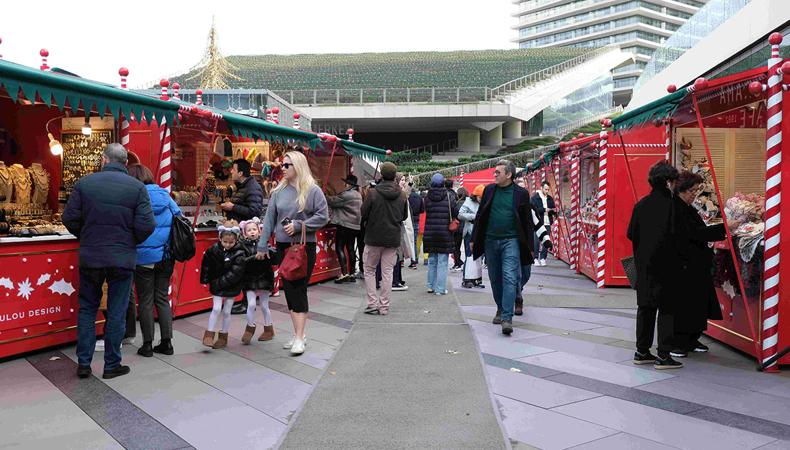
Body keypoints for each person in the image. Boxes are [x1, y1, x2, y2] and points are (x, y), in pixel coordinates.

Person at [62, 143, 156, 379]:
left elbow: (69, 218)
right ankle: (112, 364)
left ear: (104, 160)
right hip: (122, 258)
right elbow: (147, 225)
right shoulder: (137, 188)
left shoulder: (85, 184)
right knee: (117, 310)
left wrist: (86, 236)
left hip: (92, 256)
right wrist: (129, 240)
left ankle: (83, 363)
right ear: (125, 163)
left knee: (87, 309)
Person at [256, 151, 329, 356]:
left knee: (298, 290)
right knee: (289, 289)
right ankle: (299, 334)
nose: (283, 169)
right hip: (282, 247)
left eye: (287, 165)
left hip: (303, 247)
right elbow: (269, 220)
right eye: (282, 165)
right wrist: (262, 246)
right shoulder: (278, 191)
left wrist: (299, 225)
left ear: (298, 166)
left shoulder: (312, 190)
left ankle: (299, 337)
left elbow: (323, 216)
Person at [471, 160, 551, 335]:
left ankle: (507, 317)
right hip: (490, 241)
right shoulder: (489, 191)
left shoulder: (521, 194)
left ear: (509, 175)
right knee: (495, 278)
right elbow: (480, 215)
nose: (495, 175)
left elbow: (527, 222)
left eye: (498, 172)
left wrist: (530, 246)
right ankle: (500, 307)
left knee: (509, 276)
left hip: (512, 241)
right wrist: (474, 238)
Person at [627, 161, 683, 369]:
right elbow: (682, 236)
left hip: (644, 267)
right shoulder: (674, 205)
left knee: (645, 309)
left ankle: (642, 351)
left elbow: (631, 233)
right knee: (667, 310)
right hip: (668, 266)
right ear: (669, 182)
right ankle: (663, 355)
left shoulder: (641, 205)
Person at [127, 164, 181, 357]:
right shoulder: (165, 196)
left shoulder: (134, 198)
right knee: (162, 299)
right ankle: (167, 343)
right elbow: (179, 217)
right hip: (166, 256)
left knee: (146, 300)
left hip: (144, 257)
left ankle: (147, 344)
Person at [670, 171, 726, 357]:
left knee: (698, 303)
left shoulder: (687, 206)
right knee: (685, 305)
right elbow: (695, 233)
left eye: (696, 190)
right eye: (691, 191)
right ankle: (679, 341)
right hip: (683, 265)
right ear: (681, 190)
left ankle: (693, 338)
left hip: (696, 264)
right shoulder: (676, 208)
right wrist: (724, 228)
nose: (694, 194)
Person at [361, 162, 409, 315]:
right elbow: (404, 216)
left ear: (381, 175)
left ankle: (372, 304)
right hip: (392, 238)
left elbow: (363, 213)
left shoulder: (373, 193)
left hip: (373, 237)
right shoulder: (402, 195)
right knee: (387, 272)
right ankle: (384, 306)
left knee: (369, 269)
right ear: (395, 176)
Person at [221, 158, 263, 315]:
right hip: (238, 234)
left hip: (246, 237)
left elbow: (255, 212)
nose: (231, 171)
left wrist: (233, 207)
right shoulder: (242, 187)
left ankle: (246, 303)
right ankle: (244, 301)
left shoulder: (253, 188)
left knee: (246, 270)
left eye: (233, 169)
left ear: (240, 172)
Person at [200, 220, 247, 349]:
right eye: (225, 242)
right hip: (217, 284)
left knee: (227, 311)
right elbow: (206, 266)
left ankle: (223, 336)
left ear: (236, 240)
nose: (228, 245)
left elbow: (235, 273)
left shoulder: (240, 253)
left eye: (231, 242)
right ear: (220, 239)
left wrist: (216, 283)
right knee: (216, 309)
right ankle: (209, 335)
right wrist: (205, 281)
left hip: (230, 286)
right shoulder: (213, 250)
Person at [239, 218, 276, 344]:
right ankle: (250, 328)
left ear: (259, 231)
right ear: (244, 233)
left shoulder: (265, 244)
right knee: (251, 304)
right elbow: (241, 262)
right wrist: (254, 257)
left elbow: (274, 258)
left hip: (264, 277)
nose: (252, 232)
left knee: (265, 306)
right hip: (249, 279)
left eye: (254, 229)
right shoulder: (242, 246)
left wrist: (269, 252)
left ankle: (269, 329)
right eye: (249, 230)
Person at [423, 173, 457, 296]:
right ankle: (440, 288)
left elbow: (424, 209)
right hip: (444, 232)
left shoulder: (427, 197)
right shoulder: (449, 197)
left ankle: (430, 286)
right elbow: (455, 212)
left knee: (432, 260)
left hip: (430, 232)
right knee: (442, 261)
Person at [327, 174, 362, 283]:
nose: (344, 184)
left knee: (339, 247)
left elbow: (332, 201)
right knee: (350, 248)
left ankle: (344, 273)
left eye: (346, 182)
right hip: (355, 226)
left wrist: (323, 194)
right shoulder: (358, 194)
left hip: (344, 225)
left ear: (349, 184)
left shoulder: (346, 195)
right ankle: (352, 273)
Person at [459, 184, 485, 289]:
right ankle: (466, 279)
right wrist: (474, 217)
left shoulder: (484, 202)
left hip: (480, 233)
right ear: (475, 196)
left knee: (479, 257)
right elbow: (460, 214)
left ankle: (477, 279)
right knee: (469, 256)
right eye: (479, 198)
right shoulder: (468, 202)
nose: (481, 200)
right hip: (470, 232)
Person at [531, 181, 556, 266]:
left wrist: (552, 211)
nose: (547, 191)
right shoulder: (535, 198)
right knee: (536, 241)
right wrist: (545, 209)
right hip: (537, 223)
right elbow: (534, 209)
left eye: (548, 189)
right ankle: (535, 258)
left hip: (547, 222)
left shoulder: (550, 198)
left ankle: (543, 258)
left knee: (546, 240)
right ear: (541, 188)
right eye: (545, 189)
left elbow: (553, 207)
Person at [407, 180, 424, 269]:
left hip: (408, 220)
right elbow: (422, 210)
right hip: (417, 220)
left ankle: (404, 260)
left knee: (407, 240)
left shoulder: (407, 197)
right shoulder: (419, 197)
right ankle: (415, 259)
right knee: (415, 240)